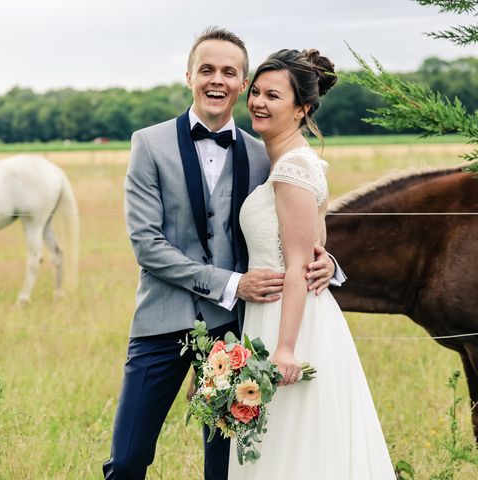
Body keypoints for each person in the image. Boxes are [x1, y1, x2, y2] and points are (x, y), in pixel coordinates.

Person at [103, 28, 342, 480]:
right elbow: (147, 246)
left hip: (234, 334)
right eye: (207, 69)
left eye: (229, 72)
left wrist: (327, 261)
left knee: (227, 466)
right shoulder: (148, 144)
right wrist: (233, 284)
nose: (218, 79)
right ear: (189, 75)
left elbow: (294, 227)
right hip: (160, 322)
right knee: (129, 458)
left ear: (241, 82)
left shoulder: (263, 153)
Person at [227, 49, 395, 479]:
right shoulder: (296, 161)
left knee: (292, 447)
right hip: (274, 314)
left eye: (274, 96)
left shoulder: (293, 170)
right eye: (257, 92)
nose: (259, 103)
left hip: (288, 323)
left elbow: (301, 263)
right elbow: (316, 247)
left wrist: (284, 349)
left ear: (301, 108)